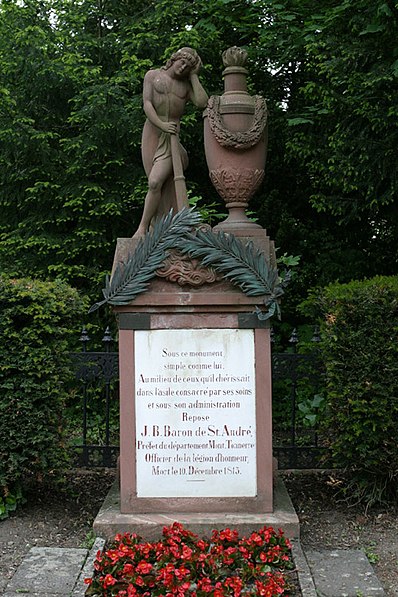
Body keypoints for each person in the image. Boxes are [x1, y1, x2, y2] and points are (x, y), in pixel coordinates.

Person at [132, 48, 208, 238]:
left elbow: (202, 102)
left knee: (155, 182)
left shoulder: (185, 86)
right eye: (181, 62)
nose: (182, 67)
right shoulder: (153, 75)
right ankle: (154, 227)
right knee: (157, 184)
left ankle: (143, 227)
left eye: (187, 67)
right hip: (153, 133)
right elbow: (147, 104)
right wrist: (161, 125)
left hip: (171, 139)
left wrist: (194, 76)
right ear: (173, 59)